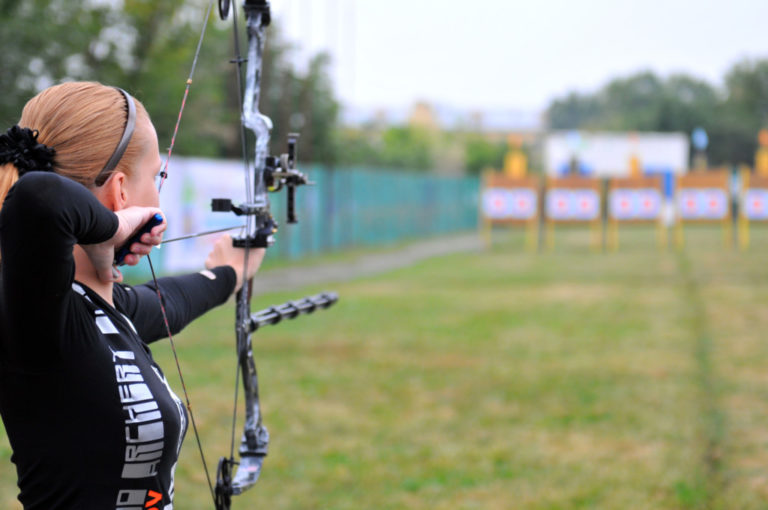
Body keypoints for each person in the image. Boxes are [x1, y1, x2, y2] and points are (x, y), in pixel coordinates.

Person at [0, 81, 264, 509]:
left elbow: (170, 302)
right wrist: (113, 228)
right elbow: (38, 198)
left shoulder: (105, 309)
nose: (159, 194)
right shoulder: (39, 319)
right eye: (158, 175)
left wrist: (231, 271)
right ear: (121, 191)